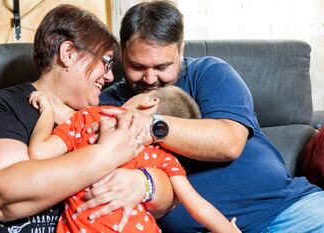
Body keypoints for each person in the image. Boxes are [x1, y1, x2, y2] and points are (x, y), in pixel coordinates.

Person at [0, 4, 172, 233]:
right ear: (68, 53)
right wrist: (104, 157)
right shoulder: (2, 107)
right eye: (106, 62)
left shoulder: (102, 117)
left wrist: (144, 183)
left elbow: (167, 194)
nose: (109, 77)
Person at [99, 1, 324, 232]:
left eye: (161, 66)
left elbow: (229, 143)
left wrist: (151, 126)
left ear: (181, 50)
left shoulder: (208, 73)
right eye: (137, 66)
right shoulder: (108, 103)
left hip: (288, 211)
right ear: (122, 52)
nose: (149, 78)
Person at [27, 85, 241, 233]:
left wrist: (47, 112)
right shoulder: (163, 158)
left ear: (150, 102)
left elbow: (38, 153)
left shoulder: (90, 117)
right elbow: (199, 208)